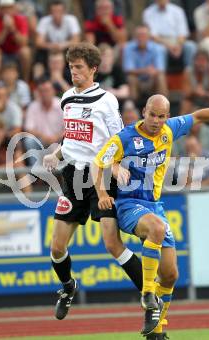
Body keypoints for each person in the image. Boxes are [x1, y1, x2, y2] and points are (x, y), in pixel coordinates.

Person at [93, 94, 209, 338]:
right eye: (152, 115)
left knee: (170, 274)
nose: (156, 121)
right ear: (143, 112)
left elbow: (199, 115)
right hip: (129, 205)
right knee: (157, 229)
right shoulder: (125, 137)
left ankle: (156, 332)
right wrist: (104, 191)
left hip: (154, 206)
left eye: (161, 116)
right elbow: (98, 164)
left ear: (167, 116)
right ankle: (148, 295)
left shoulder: (170, 130)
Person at [42, 43, 143, 321]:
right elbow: (73, 135)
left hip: (100, 176)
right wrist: (58, 152)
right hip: (73, 178)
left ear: (93, 69)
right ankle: (67, 287)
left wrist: (118, 165)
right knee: (57, 248)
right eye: (71, 67)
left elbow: (118, 138)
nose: (73, 72)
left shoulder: (106, 100)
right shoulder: (66, 98)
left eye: (79, 67)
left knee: (112, 244)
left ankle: (150, 294)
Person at [143, 0, 197, 71]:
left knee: (191, 46)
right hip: (159, 42)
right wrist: (169, 47)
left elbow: (183, 33)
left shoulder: (178, 11)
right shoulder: (148, 12)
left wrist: (178, 46)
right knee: (160, 50)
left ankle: (189, 74)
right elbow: (153, 36)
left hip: (177, 40)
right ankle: (162, 77)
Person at [123, 25, 168, 102]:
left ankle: (163, 105)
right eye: (139, 35)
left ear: (149, 36)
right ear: (135, 37)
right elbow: (128, 69)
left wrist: (152, 72)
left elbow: (160, 69)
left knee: (160, 77)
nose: (141, 38)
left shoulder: (158, 48)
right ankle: (133, 108)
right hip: (137, 81)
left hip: (152, 80)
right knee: (131, 78)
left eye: (143, 35)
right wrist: (146, 70)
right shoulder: (128, 47)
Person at [0, 0, 31, 82]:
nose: (7, 11)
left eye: (9, 8)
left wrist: (12, 29)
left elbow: (24, 42)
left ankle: (25, 81)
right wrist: (4, 30)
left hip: (16, 51)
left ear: (14, 8)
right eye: (4, 8)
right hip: (1, 51)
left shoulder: (21, 19)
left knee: (25, 51)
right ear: (0, 10)